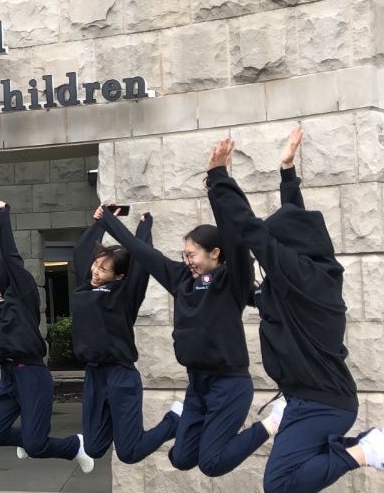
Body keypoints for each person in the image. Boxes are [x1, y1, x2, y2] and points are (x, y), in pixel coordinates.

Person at [205, 129, 384, 493]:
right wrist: (287, 175)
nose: (272, 251)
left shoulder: (298, 277)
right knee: (286, 476)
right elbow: (292, 222)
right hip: (315, 398)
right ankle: (373, 443)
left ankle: (366, 450)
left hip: (320, 403)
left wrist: (219, 179)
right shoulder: (310, 277)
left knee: (279, 485)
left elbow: (252, 230)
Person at [99, 201, 272, 476]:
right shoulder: (181, 279)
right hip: (197, 385)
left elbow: (236, 240)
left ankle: (272, 423)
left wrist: (217, 189)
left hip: (229, 385)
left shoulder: (232, 279)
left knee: (211, 463)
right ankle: (178, 419)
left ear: (215, 253)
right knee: (180, 459)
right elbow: (142, 252)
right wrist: (107, 221)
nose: (188, 260)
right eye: (185, 254)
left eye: (192, 255)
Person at [0, 201, 94, 470]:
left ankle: (75, 446)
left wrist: (2, 219)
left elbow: (10, 260)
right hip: (8, 376)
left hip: (30, 374)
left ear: (3, 279)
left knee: (36, 446)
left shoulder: (22, 295)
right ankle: (27, 437)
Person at [71, 204, 179, 464]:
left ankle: (175, 419)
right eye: (96, 265)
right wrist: (101, 222)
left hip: (120, 374)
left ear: (119, 276)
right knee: (94, 447)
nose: (95, 271)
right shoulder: (85, 288)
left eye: (103, 270)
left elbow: (142, 261)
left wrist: (143, 230)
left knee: (128, 453)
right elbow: (80, 252)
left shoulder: (125, 294)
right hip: (94, 375)